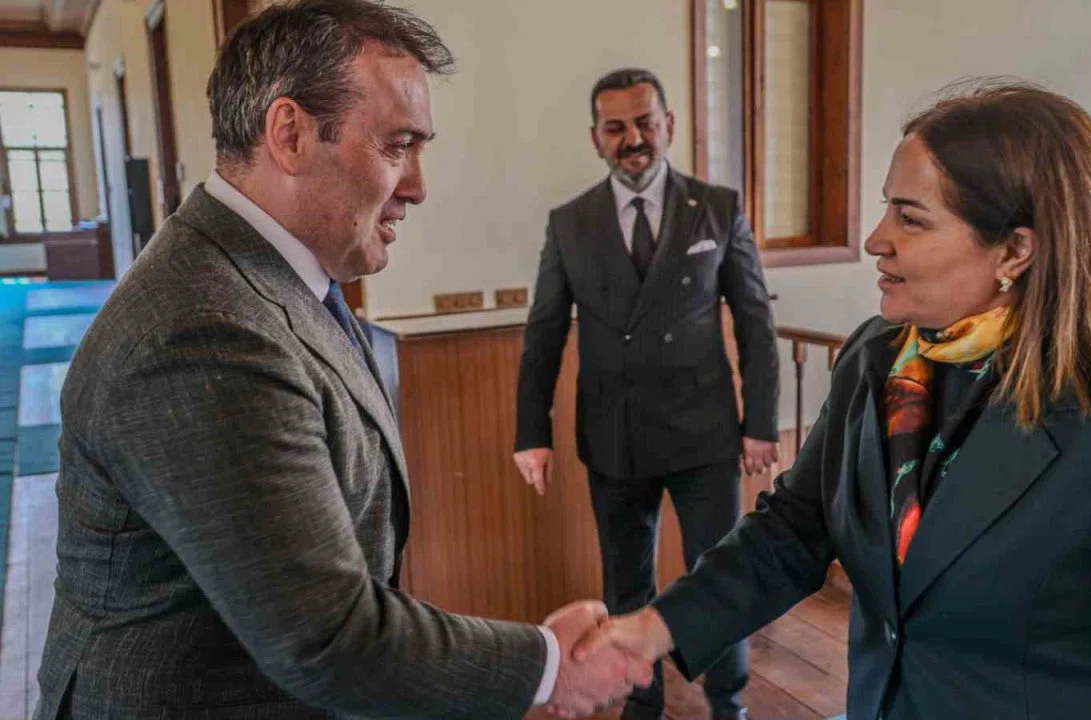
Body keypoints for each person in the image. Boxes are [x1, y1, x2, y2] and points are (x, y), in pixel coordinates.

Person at [575, 84, 1091, 720]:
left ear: (1016, 250)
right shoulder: (877, 359)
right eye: (887, 206)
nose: (875, 239)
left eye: (910, 218)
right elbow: (794, 529)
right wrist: (650, 630)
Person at [35, 1, 647, 718]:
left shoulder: (276, 280)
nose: (418, 185)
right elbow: (326, 636)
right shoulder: (202, 331)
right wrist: (546, 668)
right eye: (398, 145)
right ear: (290, 134)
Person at [512, 68, 780, 720]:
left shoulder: (718, 207)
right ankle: (642, 706)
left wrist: (761, 423)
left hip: (705, 434)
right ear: (596, 138)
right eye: (616, 127)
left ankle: (729, 704)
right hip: (614, 436)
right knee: (626, 584)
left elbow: (755, 321)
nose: (632, 138)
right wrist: (532, 434)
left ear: (668, 125)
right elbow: (543, 333)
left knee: (718, 578)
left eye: (644, 122)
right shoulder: (570, 222)